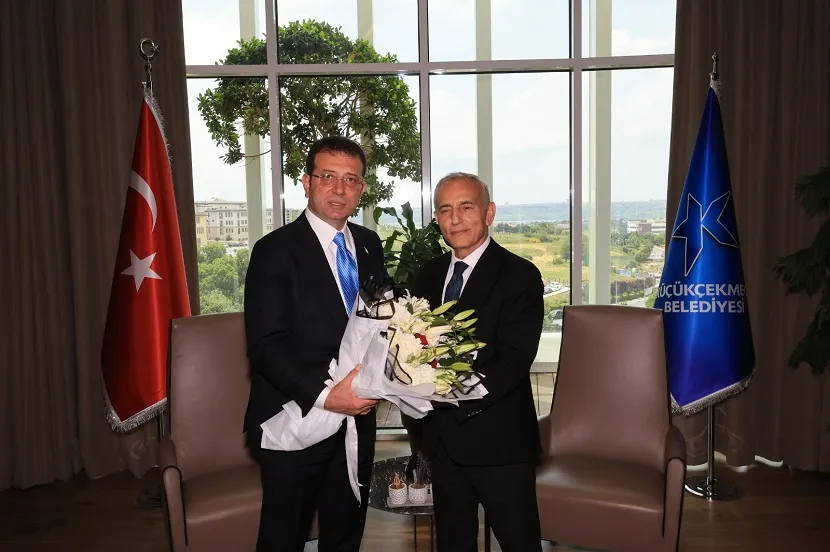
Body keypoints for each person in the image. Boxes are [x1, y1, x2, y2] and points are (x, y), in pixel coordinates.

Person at [243, 136, 386, 552]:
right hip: (295, 417)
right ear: (307, 182)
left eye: (350, 179)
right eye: (328, 177)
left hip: (357, 418)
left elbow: (377, 322)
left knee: (345, 534)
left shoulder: (369, 244)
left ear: (361, 188)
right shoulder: (274, 251)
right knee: (283, 537)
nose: (339, 189)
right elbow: (265, 346)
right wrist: (327, 397)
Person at [411, 172, 544, 552]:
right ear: (436, 218)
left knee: (519, 543)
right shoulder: (428, 275)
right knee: (453, 543)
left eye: (466, 207)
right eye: (445, 209)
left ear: (489, 213)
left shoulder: (520, 275)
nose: (455, 219)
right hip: (440, 443)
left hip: (499, 443)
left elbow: (513, 360)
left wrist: (447, 396)